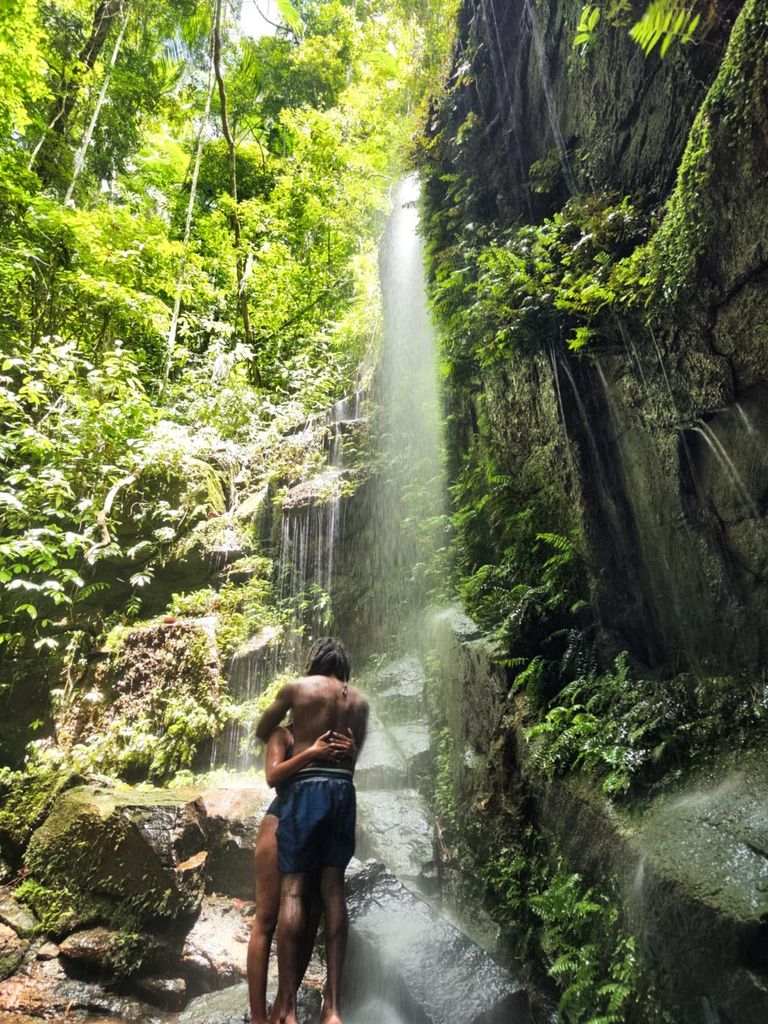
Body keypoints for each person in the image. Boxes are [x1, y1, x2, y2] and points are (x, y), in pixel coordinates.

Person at [255, 637, 369, 1024]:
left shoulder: (297, 690)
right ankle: (333, 1009)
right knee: (334, 891)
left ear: (314, 663)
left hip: (307, 791)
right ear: (344, 669)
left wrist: (298, 739)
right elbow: (352, 761)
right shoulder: (361, 702)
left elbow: (262, 728)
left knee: (292, 891)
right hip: (342, 792)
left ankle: (285, 1009)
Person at [247, 722, 356, 1024]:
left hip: (316, 827)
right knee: (267, 918)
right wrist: (312, 752)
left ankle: (281, 1010)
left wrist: (352, 753)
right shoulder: (284, 735)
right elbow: (272, 776)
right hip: (281, 819)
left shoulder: (336, 735)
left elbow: (344, 779)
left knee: (306, 919)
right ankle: (258, 1017)